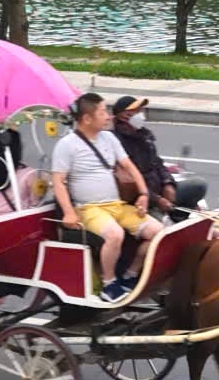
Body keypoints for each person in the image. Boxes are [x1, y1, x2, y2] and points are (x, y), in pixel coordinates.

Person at [50, 93, 162, 301]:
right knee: (115, 234)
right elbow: (58, 182)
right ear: (87, 119)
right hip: (89, 209)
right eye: (102, 112)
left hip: (117, 205)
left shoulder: (109, 138)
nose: (108, 116)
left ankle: (131, 274)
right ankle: (109, 283)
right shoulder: (66, 145)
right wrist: (68, 213)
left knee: (158, 233)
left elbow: (129, 166)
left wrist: (144, 194)